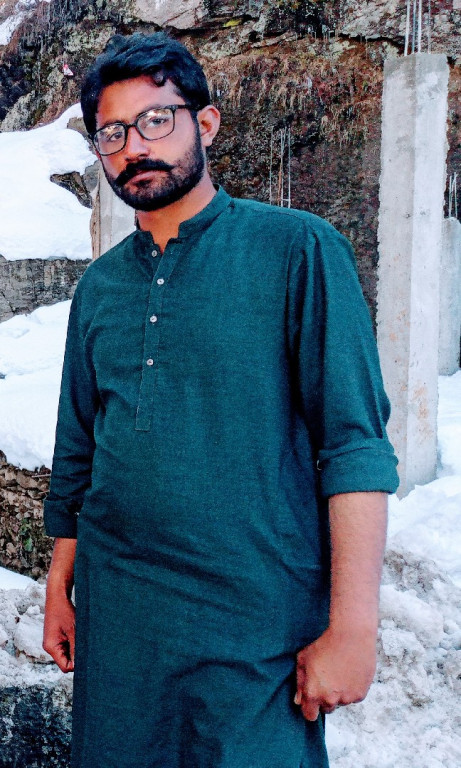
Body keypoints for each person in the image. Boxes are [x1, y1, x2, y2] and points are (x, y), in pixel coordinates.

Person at [43, 32, 399, 768]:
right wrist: (59, 583)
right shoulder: (100, 289)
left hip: (255, 624)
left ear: (204, 124)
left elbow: (354, 446)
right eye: (113, 133)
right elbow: (79, 449)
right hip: (122, 624)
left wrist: (353, 628)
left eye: (156, 120)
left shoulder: (298, 251)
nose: (136, 147)